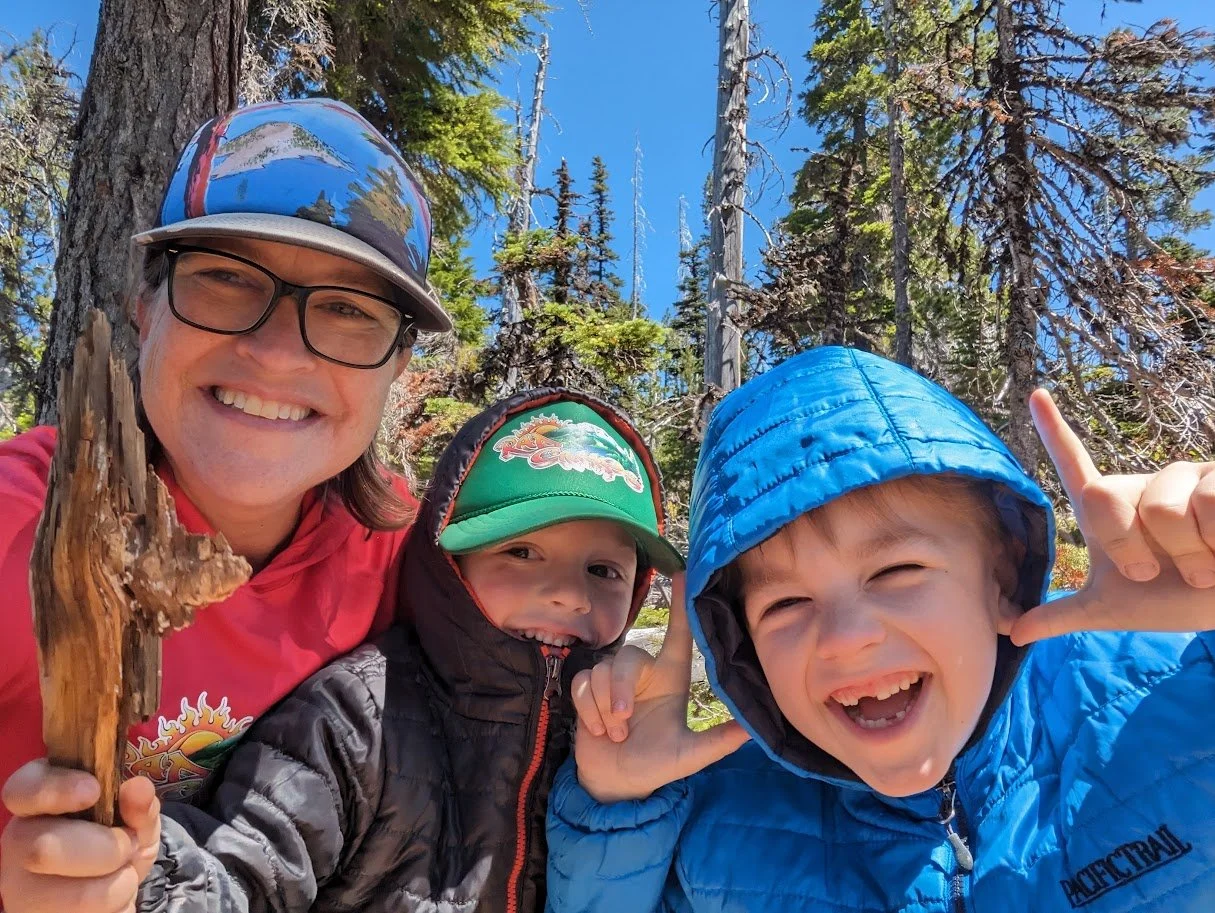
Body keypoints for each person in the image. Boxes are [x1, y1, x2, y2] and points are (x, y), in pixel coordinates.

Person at [547, 346, 1215, 912]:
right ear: (741, 647)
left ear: (1003, 579)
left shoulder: (1181, 681)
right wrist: (615, 808)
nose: (844, 637)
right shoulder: (713, 830)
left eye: (894, 570)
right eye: (784, 604)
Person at [1, 389, 684, 913]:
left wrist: (618, 795)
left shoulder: (622, 730)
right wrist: (144, 877)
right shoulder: (361, 713)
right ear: (449, 566)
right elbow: (248, 868)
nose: (567, 592)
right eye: (521, 551)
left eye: (603, 570)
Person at [0, 96, 453, 872]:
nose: (276, 353)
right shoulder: (20, 526)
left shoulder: (408, 558)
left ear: (397, 368)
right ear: (146, 306)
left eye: (348, 310)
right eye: (226, 278)